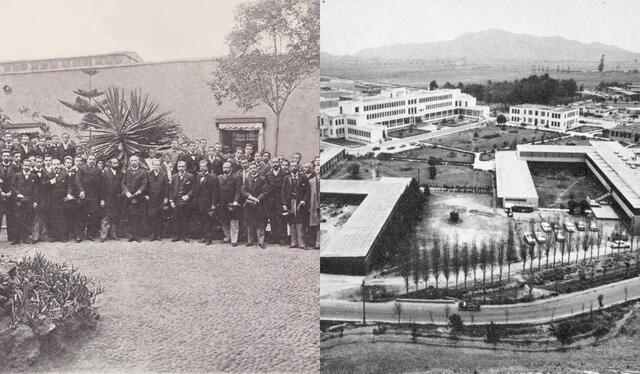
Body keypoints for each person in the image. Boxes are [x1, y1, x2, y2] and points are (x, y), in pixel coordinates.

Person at [281, 160, 309, 249]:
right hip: (290, 202)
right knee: (291, 221)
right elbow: (283, 192)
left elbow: (308, 191)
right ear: (290, 167)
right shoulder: (286, 178)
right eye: (292, 166)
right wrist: (284, 204)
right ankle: (293, 242)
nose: (293, 168)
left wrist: (304, 200)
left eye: (295, 166)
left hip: (300, 203)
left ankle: (301, 243)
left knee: (300, 221)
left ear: (298, 167)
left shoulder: (303, 177)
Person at [43, 159, 72, 242]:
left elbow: (69, 185)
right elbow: (43, 185)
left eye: (57, 164)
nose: (56, 166)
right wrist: (50, 182)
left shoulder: (65, 174)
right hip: (51, 200)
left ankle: (63, 236)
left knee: (63, 218)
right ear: (52, 165)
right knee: (52, 218)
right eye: (54, 164)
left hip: (62, 199)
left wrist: (69, 194)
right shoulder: (47, 174)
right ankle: (53, 236)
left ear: (60, 165)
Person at [11, 159, 39, 244]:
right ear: (22, 165)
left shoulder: (33, 176)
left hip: (29, 201)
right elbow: (13, 187)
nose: (27, 167)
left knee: (27, 219)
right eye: (25, 165)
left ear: (30, 166)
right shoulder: (17, 175)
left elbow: (36, 190)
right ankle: (16, 238)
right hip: (19, 201)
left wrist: (35, 201)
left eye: (28, 166)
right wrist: (18, 195)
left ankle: (25, 237)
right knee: (18, 218)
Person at [76, 154, 103, 240]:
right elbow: (77, 180)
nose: (92, 160)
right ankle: (79, 235)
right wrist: (81, 190)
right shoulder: (81, 168)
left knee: (93, 216)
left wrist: (101, 198)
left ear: (95, 161)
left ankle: (90, 234)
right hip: (83, 195)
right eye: (90, 159)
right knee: (81, 216)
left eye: (93, 159)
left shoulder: (98, 170)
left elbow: (101, 185)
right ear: (87, 160)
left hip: (94, 196)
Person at [242, 162, 268, 248]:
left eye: (254, 168)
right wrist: (250, 196)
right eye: (251, 168)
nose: (253, 170)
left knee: (259, 223)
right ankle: (250, 240)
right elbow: (243, 190)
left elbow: (264, 191)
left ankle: (261, 241)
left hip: (259, 204)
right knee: (249, 223)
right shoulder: (247, 178)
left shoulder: (262, 179)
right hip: (249, 204)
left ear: (257, 168)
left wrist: (257, 199)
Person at [121, 155, 147, 242]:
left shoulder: (143, 172)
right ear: (129, 162)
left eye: (135, 160)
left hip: (139, 197)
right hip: (129, 198)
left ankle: (137, 236)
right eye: (132, 160)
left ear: (138, 162)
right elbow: (123, 183)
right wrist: (126, 192)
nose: (134, 162)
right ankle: (131, 235)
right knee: (130, 217)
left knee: (138, 217)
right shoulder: (126, 172)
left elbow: (145, 183)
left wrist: (140, 191)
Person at [193, 159, 219, 244]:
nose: (202, 168)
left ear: (207, 167)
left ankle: (209, 239)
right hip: (200, 203)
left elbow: (215, 192)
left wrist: (213, 204)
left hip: (209, 203)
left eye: (204, 166)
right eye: (201, 166)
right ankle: (203, 237)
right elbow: (196, 190)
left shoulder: (213, 177)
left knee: (209, 221)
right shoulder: (198, 177)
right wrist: (196, 201)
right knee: (202, 220)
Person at [169, 160, 195, 242]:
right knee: (176, 218)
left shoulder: (190, 176)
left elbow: (193, 189)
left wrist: (187, 195)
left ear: (185, 167)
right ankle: (178, 235)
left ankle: (185, 236)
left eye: (183, 166)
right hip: (175, 200)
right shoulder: (174, 177)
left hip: (185, 201)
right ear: (177, 167)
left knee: (185, 218)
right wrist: (171, 200)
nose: (181, 168)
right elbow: (170, 189)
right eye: (179, 167)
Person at [264, 157, 286, 245]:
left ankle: (282, 238)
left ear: (279, 163)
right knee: (272, 219)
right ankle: (274, 237)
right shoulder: (268, 174)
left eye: (277, 162)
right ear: (271, 163)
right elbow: (266, 187)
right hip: (271, 200)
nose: (275, 164)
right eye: (273, 162)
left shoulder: (284, 174)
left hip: (280, 200)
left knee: (281, 219)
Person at [217, 161, 241, 246]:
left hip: (232, 202)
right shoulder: (220, 177)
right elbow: (217, 190)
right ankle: (227, 236)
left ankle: (234, 239)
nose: (225, 169)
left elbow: (238, 190)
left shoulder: (236, 177)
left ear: (231, 168)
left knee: (233, 221)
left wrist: (236, 201)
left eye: (227, 167)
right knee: (224, 220)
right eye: (224, 167)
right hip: (222, 202)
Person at [145, 159, 169, 241]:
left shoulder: (164, 174)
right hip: (151, 199)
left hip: (160, 199)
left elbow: (166, 187)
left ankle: (158, 234)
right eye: (155, 165)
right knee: (151, 217)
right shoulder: (148, 174)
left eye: (158, 165)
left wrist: (166, 198)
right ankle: (152, 234)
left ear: (160, 166)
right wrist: (146, 195)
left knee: (159, 217)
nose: (156, 166)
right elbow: (145, 186)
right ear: (152, 166)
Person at [100, 158, 122, 242]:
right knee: (106, 217)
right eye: (114, 163)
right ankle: (103, 235)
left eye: (117, 163)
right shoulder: (105, 173)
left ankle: (113, 234)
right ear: (110, 164)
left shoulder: (120, 173)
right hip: (107, 198)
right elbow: (102, 187)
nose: (116, 164)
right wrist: (102, 199)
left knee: (115, 217)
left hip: (117, 198)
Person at [0, 149, 16, 242]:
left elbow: (16, 181)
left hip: (11, 195)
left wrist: (11, 192)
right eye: (4, 155)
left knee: (11, 216)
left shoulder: (14, 167)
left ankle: (11, 237)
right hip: (0, 195)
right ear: (1, 156)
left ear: (10, 156)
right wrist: (0, 192)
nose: (6, 157)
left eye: (7, 155)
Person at [30, 156, 47, 243]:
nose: (38, 163)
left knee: (43, 214)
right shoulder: (31, 172)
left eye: (40, 162)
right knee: (35, 216)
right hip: (34, 196)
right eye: (37, 162)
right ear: (34, 162)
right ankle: (35, 236)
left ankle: (42, 234)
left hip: (44, 196)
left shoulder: (45, 172)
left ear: (42, 162)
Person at [306, 164, 321, 249]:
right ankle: (312, 241)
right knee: (314, 224)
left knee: (319, 224)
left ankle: (318, 243)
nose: (319, 171)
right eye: (317, 169)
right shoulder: (311, 181)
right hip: (313, 204)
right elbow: (308, 194)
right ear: (314, 170)